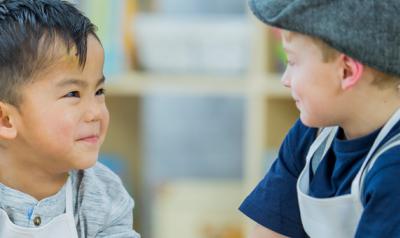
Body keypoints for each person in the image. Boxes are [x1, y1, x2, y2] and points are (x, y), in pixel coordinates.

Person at [239, 1, 400, 237]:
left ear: (346, 72)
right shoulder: (313, 134)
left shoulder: (393, 171)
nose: (286, 79)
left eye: (292, 62)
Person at [0, 0, 140, 237]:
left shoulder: (105, 195)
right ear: (6, 120)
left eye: (99, 92)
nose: (96, 112)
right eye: (73, 94)